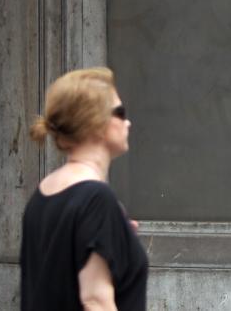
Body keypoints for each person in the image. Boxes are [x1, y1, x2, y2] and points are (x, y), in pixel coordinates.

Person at [20, 67, 147, 311]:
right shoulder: (96, 198)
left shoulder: (43, 194)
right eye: (120, 112)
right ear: (96, 122)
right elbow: (96, 301)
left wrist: (115, 237)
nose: (127, 121)